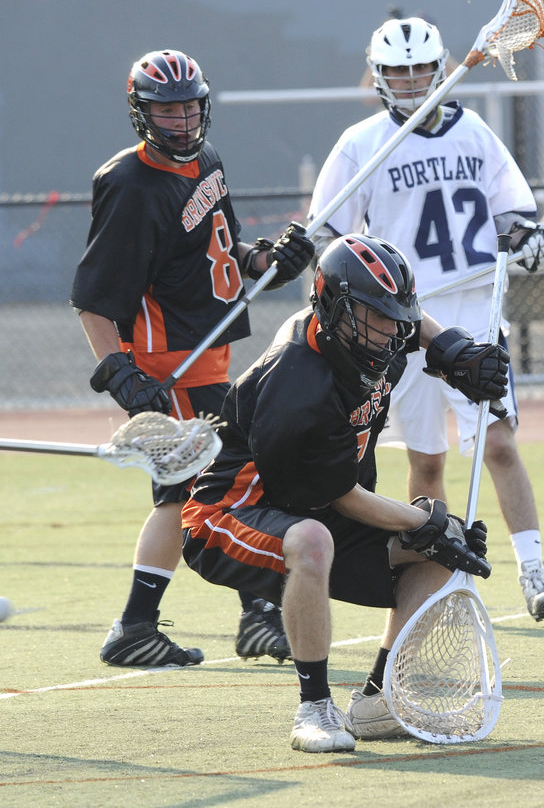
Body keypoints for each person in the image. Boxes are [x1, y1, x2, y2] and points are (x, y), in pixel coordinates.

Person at [181, 233, 509, 752]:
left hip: (315, 503)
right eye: (373, 316)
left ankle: (379, 701)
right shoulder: (297, 381)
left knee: (446, 545)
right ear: (331, 303)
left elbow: (410, 323)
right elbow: (340, 496)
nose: (389, 331)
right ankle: (313, 709)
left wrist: (456, 352)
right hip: (231, 515)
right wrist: (416, 520)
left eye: (394, 317)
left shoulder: (376, 337)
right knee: (319, 539)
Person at [307, 18, 544, 622]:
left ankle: (533, 571)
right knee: (426, 460)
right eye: (398, 71)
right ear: (379, 76)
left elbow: (511, 211)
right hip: (406, 326)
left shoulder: (473, 131)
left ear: (440, 66)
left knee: (497, 444)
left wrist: (529, 238)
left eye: (421, 68)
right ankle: (440, 577)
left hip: (476, 317)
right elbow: (331, 235)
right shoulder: (362, 143)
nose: (412, 80)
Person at [70, 48, 313, 667]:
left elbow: (224, 251)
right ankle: (230, 616)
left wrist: (271, 261)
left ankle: (150, 625)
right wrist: (121, 372)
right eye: (166, 110)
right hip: (167, 365)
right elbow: (93, 298)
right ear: (142, 113)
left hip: (211, 357)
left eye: (188, 107)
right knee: (203, 490)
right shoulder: (127, 184)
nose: (180, 121)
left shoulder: (207, 162)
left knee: (205, 489)